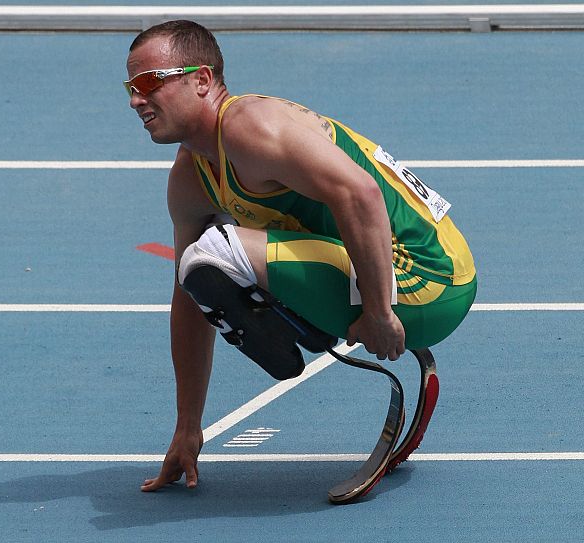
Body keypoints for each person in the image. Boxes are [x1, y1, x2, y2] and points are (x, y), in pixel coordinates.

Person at [124, 20, 477, 493]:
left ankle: (313, 327)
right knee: (196, 269)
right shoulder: (191, 178)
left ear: (202, 80)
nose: (136, 101)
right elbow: (189, 300)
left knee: (212, 255)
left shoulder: (250, 125)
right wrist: (188, 425)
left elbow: (362, 194)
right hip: (380, 280)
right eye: (130, 87)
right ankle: (311, 324)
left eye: (150, 83)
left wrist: (379, 313)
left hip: (429, 279)